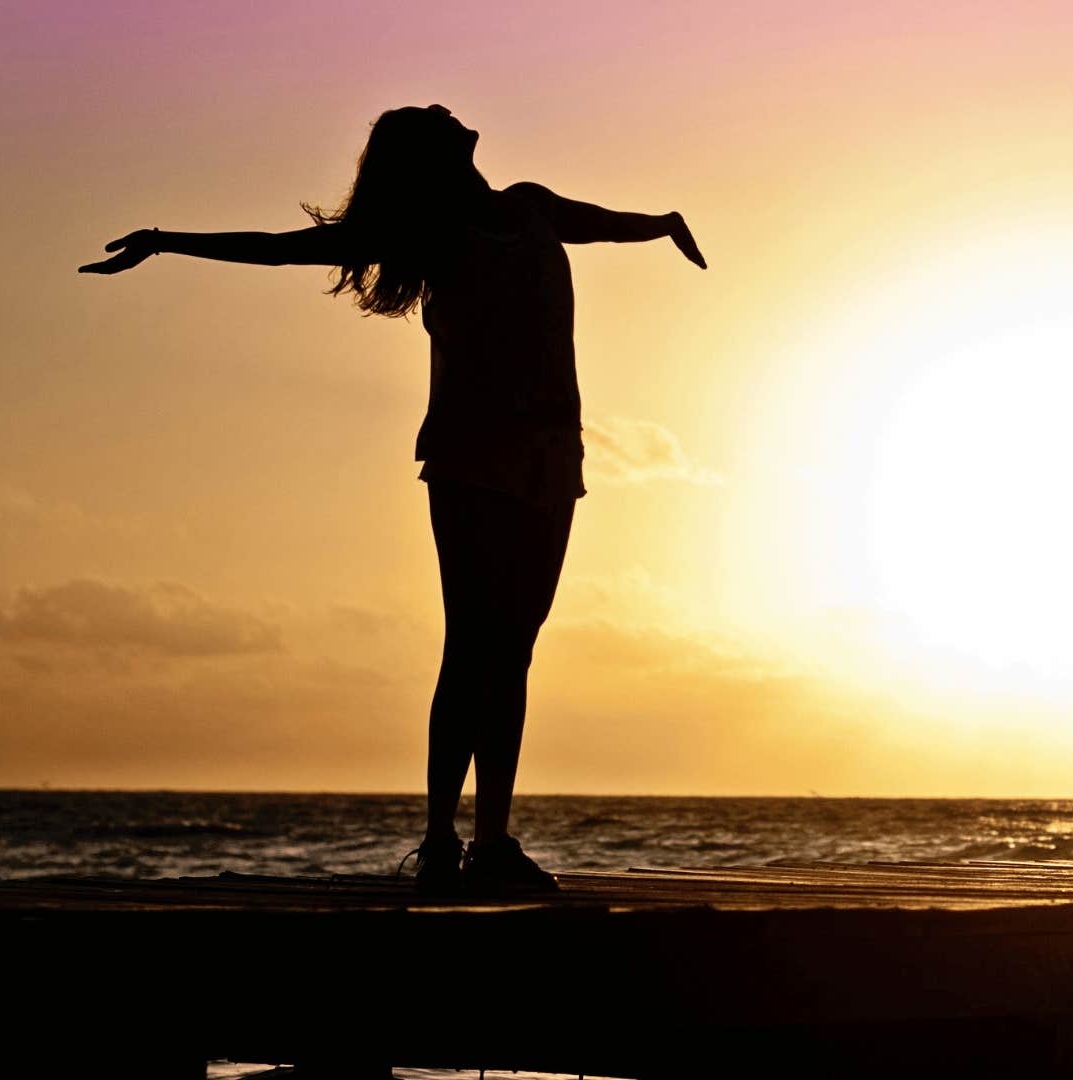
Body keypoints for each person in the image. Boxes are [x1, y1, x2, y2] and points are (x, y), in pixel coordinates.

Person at [80, 104, 707, 895]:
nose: (455, 114)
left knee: (513, 651)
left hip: (554, 460)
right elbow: (283, 251)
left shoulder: (530, 206)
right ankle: (445, 841)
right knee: (472, 644)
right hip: (470, 457)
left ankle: (491, 842)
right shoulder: (431, 233)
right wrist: (167, 241)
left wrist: (665, 222)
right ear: (431, 156)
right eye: (436, 121)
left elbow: (608, 224)